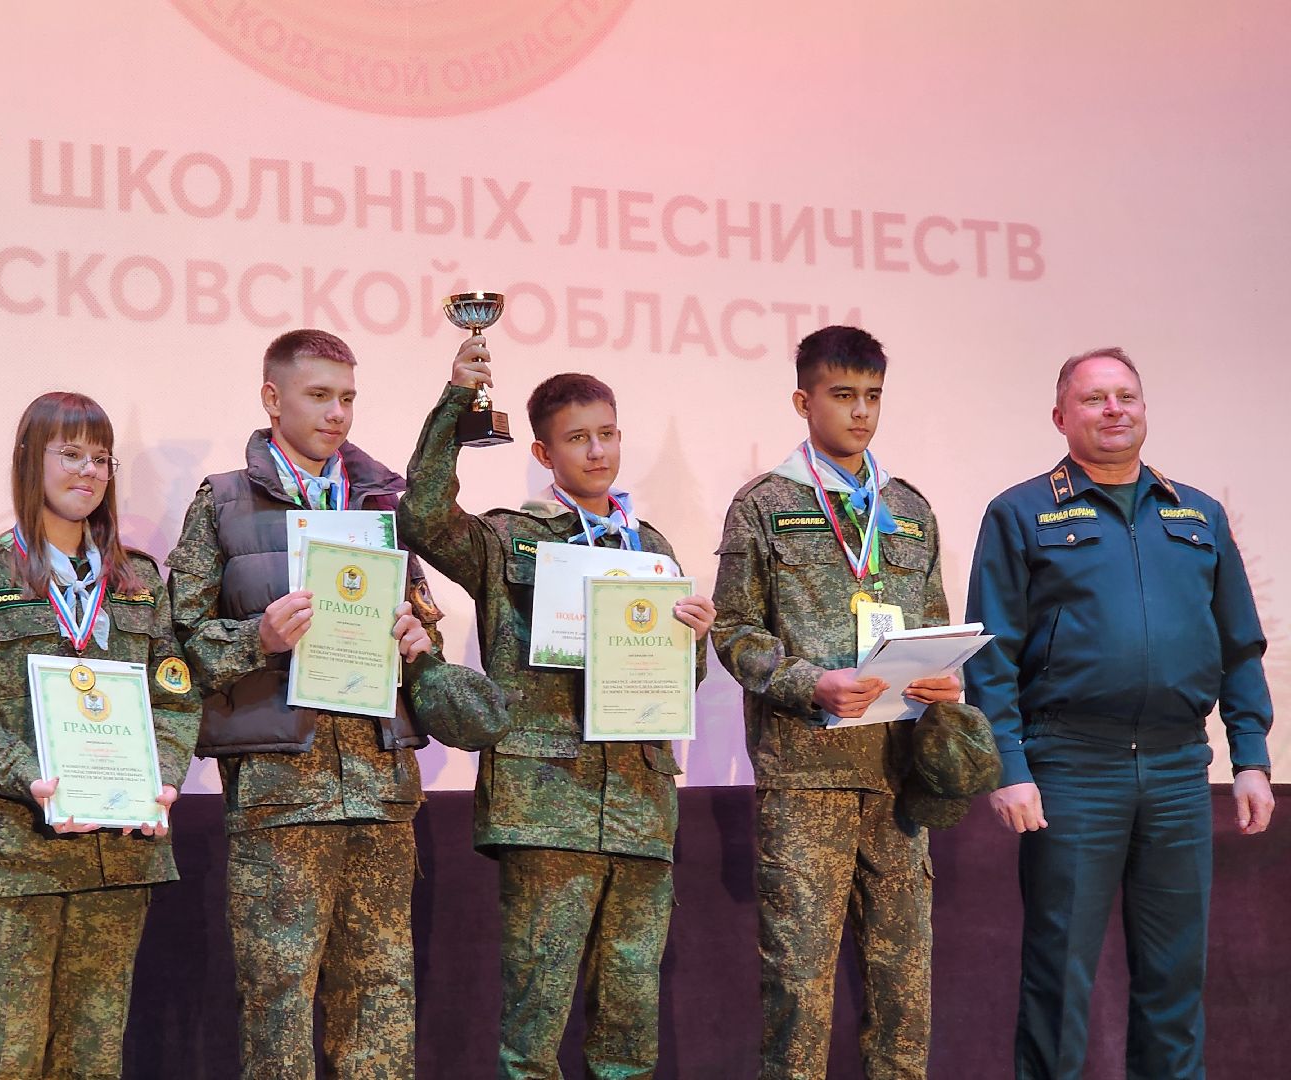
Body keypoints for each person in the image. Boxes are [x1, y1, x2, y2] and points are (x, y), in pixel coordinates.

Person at [166, 328, 501, 1080]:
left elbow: (425, 646)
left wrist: (419, 640)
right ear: (272, 398)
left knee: (380, 997)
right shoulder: (222, 502)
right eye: (319, 396)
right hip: (280, 799)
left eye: (348, 397)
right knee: (279, 998)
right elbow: (176, 651)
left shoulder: (382, 504)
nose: (337, 414)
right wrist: (260, 636)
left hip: (382, 792)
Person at [397, 338, 715, 1079]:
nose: (597, 451)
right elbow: (421, 515)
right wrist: (456, 405)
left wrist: (694, 645)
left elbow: (671, 684)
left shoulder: (653, 547)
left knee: (630, 1027)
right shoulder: (508, 537)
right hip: (546, 806)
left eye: (607, 433)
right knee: (535, 1026)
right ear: (543, 451)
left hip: (639, 807)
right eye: (577, 438)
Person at [964, 346, 1275, 1080]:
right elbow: (991, 653)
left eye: (1126, 397)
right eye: (1095, 398)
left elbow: (1239, 644)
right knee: (1060, 977)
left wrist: (1252, 756)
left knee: (1174, 982)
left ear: (1143, 409)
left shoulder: (1198, 513)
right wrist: (1009, 766)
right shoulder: (1021, 513)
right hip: (1071, 766)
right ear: (1060, 416)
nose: (1114, 410)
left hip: (1176, 769)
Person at [711, 325, 960, 1079]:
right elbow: (734, 633)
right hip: (805, 777)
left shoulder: (910, 509)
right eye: (843, 395)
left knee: (904, 991)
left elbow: (936, 622)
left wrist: (943, 677)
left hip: (898, 778)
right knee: (798, 987)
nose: (860, 412)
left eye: (873, 396)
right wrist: (809, 682)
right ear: (803, 399)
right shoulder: (765, 504)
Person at [0, 391, 199, 1078]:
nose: (89, 471)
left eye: (101, 458)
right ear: (29, 460)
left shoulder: (138, 582)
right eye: (71, 453)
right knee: (12, 1059)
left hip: (118, 855)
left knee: (93, 1061)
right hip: (16, 858)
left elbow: (174, 693)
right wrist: (30, 777)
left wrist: (163, 778)